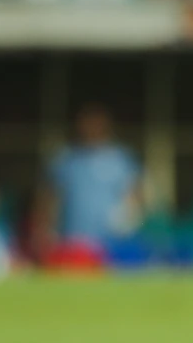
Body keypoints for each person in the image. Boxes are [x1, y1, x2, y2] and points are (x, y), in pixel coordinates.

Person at [44, 103, 141, 257]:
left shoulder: (121, 158)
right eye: (87, 123)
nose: (92, 128)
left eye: (96, 123)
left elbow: (135, 194)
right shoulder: (65, 158)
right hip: (73, 240)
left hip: (112, 241)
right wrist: (48, 230)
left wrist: (128, 217)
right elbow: (51, 197)